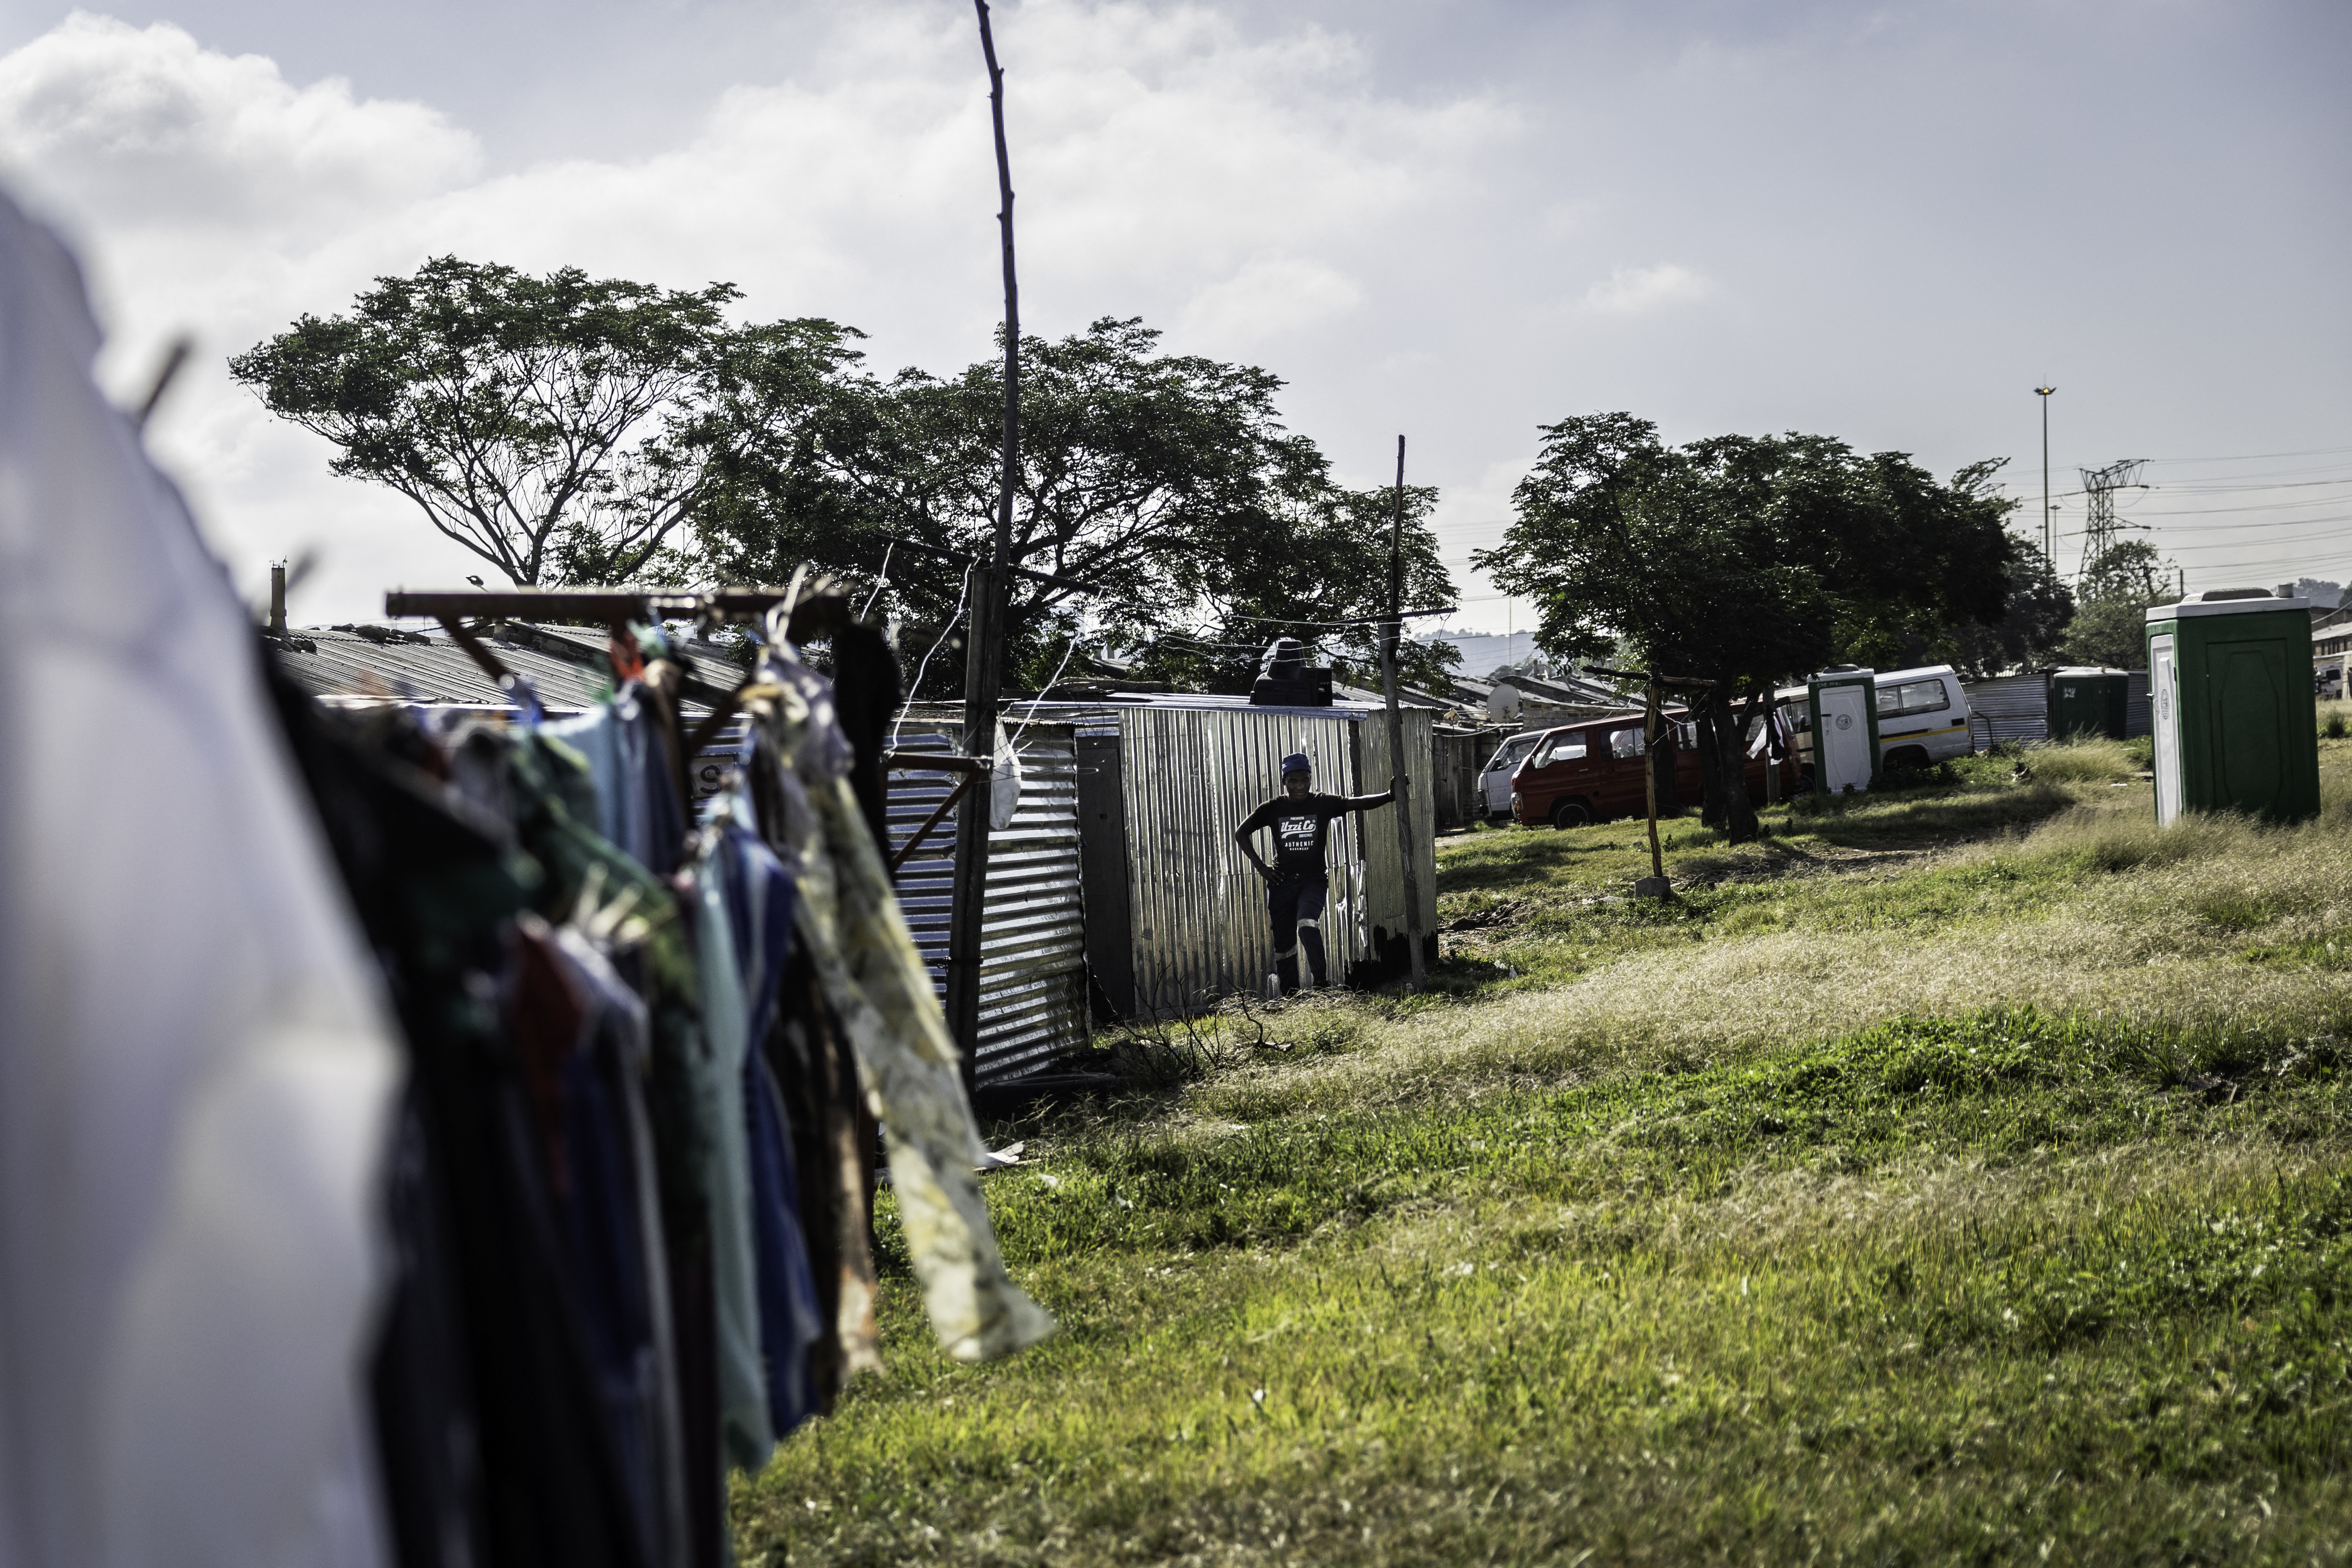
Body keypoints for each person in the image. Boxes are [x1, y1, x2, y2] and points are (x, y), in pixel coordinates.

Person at [1234, 753, 1395, 995]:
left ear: (1310, 779)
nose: (1300, 786)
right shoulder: (1273, 808)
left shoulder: (1322, 803)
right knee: (1284, 944)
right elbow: (1241, 833)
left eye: (1305, 780)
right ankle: (1291, 997)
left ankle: (1321, 985)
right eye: (1294, 781)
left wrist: (1389, 796)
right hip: (1282, 883)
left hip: (1313, 881)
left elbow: (1357, 803)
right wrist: (1262, 867)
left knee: (1307, 923)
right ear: (1284, 782)